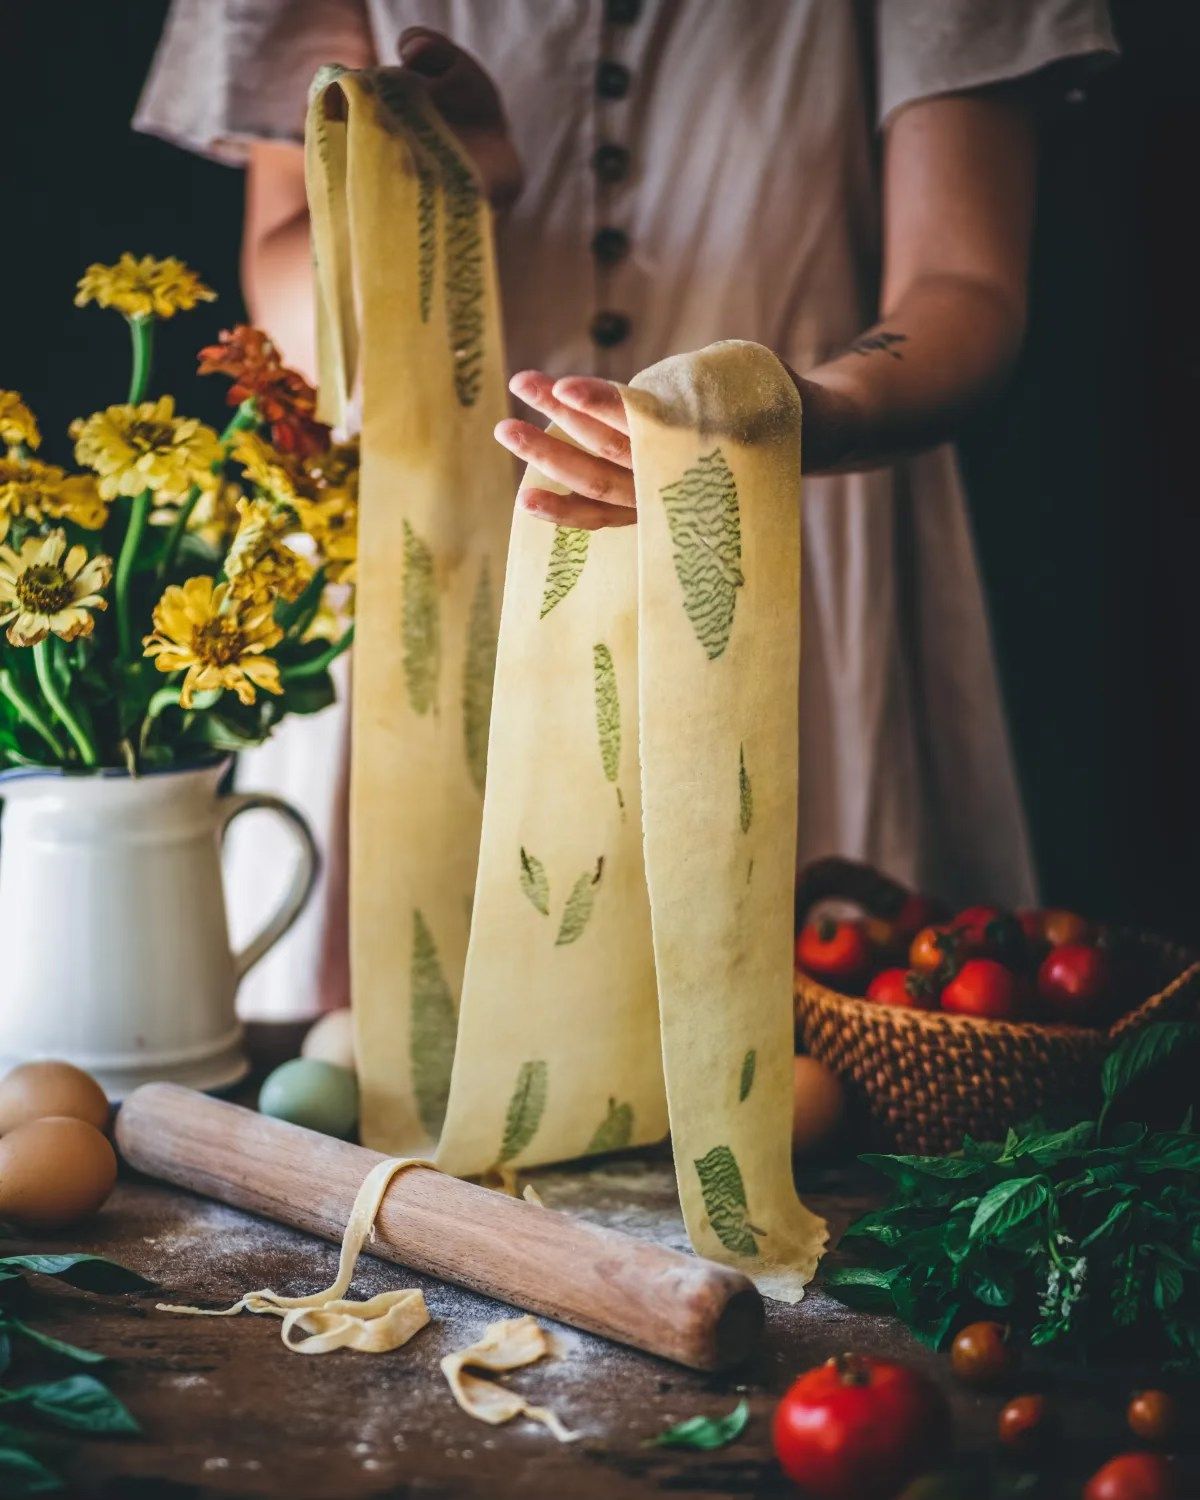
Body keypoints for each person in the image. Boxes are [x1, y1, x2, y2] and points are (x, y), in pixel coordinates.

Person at [136, 0, 1115, 1019]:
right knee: (375, 1092)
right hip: (435, 588)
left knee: (831, 1087)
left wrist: (791, 422)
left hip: (799, 546)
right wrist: (434, 208)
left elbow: (963, 281)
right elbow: (305, 333)